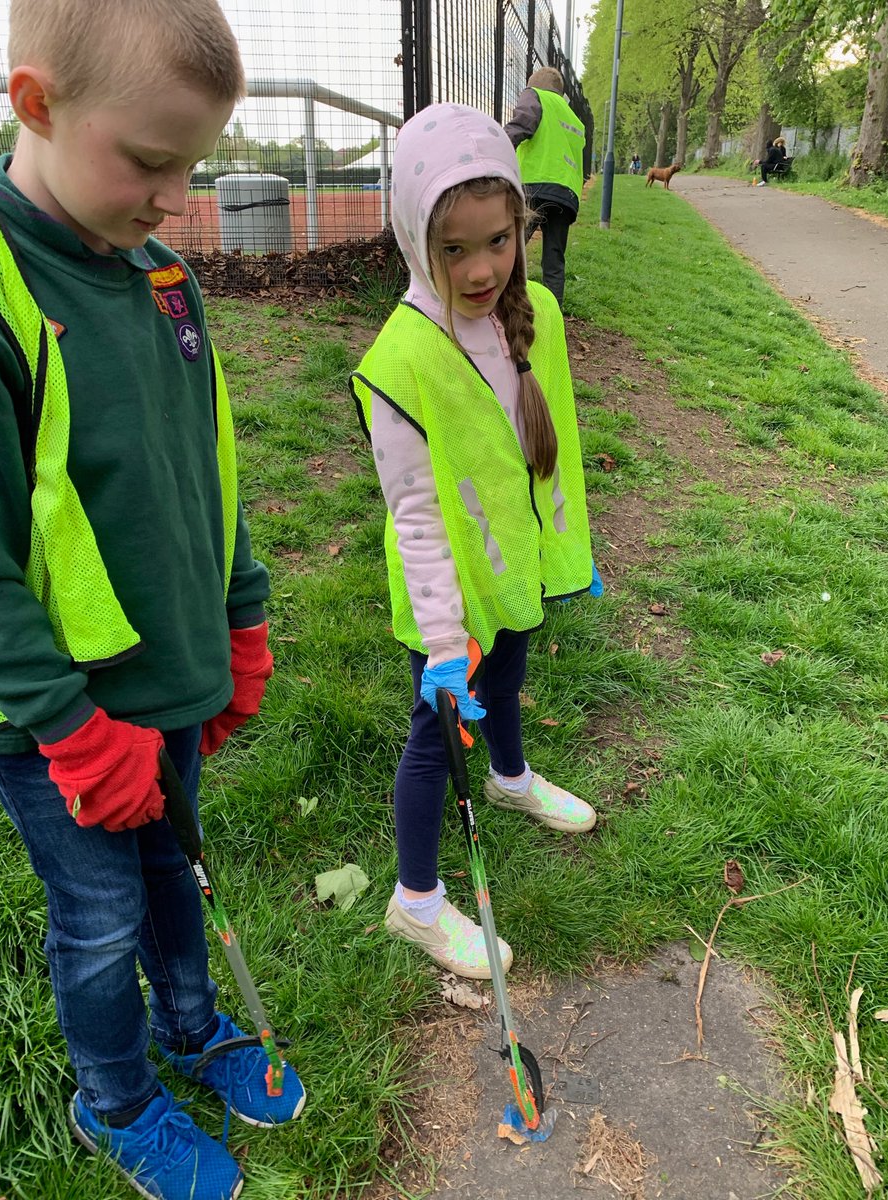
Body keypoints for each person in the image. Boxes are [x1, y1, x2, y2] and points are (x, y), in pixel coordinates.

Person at [0, 1, 305, 1197]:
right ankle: (114, 1102)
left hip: (170, 677)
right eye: (149, 161)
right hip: (58, 721)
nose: (177, 198)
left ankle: (190, 1029)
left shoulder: (167, 278)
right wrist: (72, 729)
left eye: (194, 165)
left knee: (178, 871)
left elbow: (206, 464)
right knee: (101, 918)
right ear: (36, 104)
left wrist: (243, 615)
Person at [350, 104, 602, 982]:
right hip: (448, 596)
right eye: (453, 250)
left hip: (513, 568)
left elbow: (550, 447)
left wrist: (566, 552)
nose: (482, 268)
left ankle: (511, 776)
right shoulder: (400, 361)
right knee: (435, 735)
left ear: (521, 226)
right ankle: (415, 902)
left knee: (512, 675)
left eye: (499, 240)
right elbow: (416, 517)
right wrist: (442, 640)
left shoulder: (534, 316)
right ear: (414, 241)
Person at [504, 66, 586, 307]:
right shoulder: (574, 119)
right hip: (566, 194)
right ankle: (554, 314)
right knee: (554, 259)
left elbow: (522, 125)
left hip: (535, 185)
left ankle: (505, 306)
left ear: (533, 86)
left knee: (511, 249)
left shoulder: (536, 96)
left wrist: (494, 147)